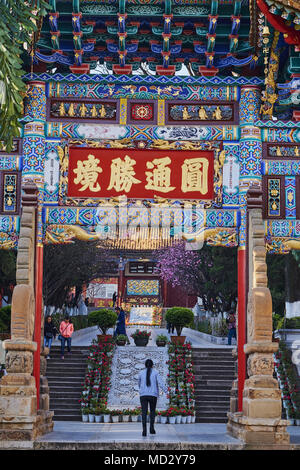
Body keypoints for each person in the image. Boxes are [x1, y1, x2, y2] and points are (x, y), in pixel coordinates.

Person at [138, 359, 167, 436]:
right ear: (152, 365)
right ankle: (151, 429)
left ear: (145, 365)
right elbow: (160, 383)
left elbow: (139, 384)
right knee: (152, 412)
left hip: (143, 395)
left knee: (144, 412)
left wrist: (142, 390)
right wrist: (167, 392)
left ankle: (144, 431)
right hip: (153, 395)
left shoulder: (141, 372)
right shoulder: (156, 372)